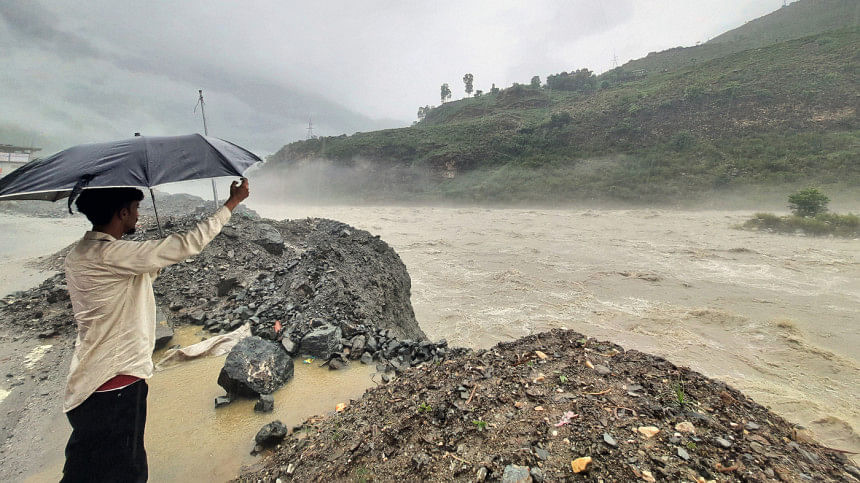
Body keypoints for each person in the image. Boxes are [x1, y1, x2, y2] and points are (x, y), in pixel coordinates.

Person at [60, 179, 250, 482]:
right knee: (127, 472)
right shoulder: (114, 256)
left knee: (82, 472)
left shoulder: (81, 254)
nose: (138, 215)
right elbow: (189, 243)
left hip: (86, 384)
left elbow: (133, 276)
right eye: (135, 209)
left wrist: (157, 260)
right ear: (121, 213)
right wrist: (232, 204)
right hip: (116, 385)